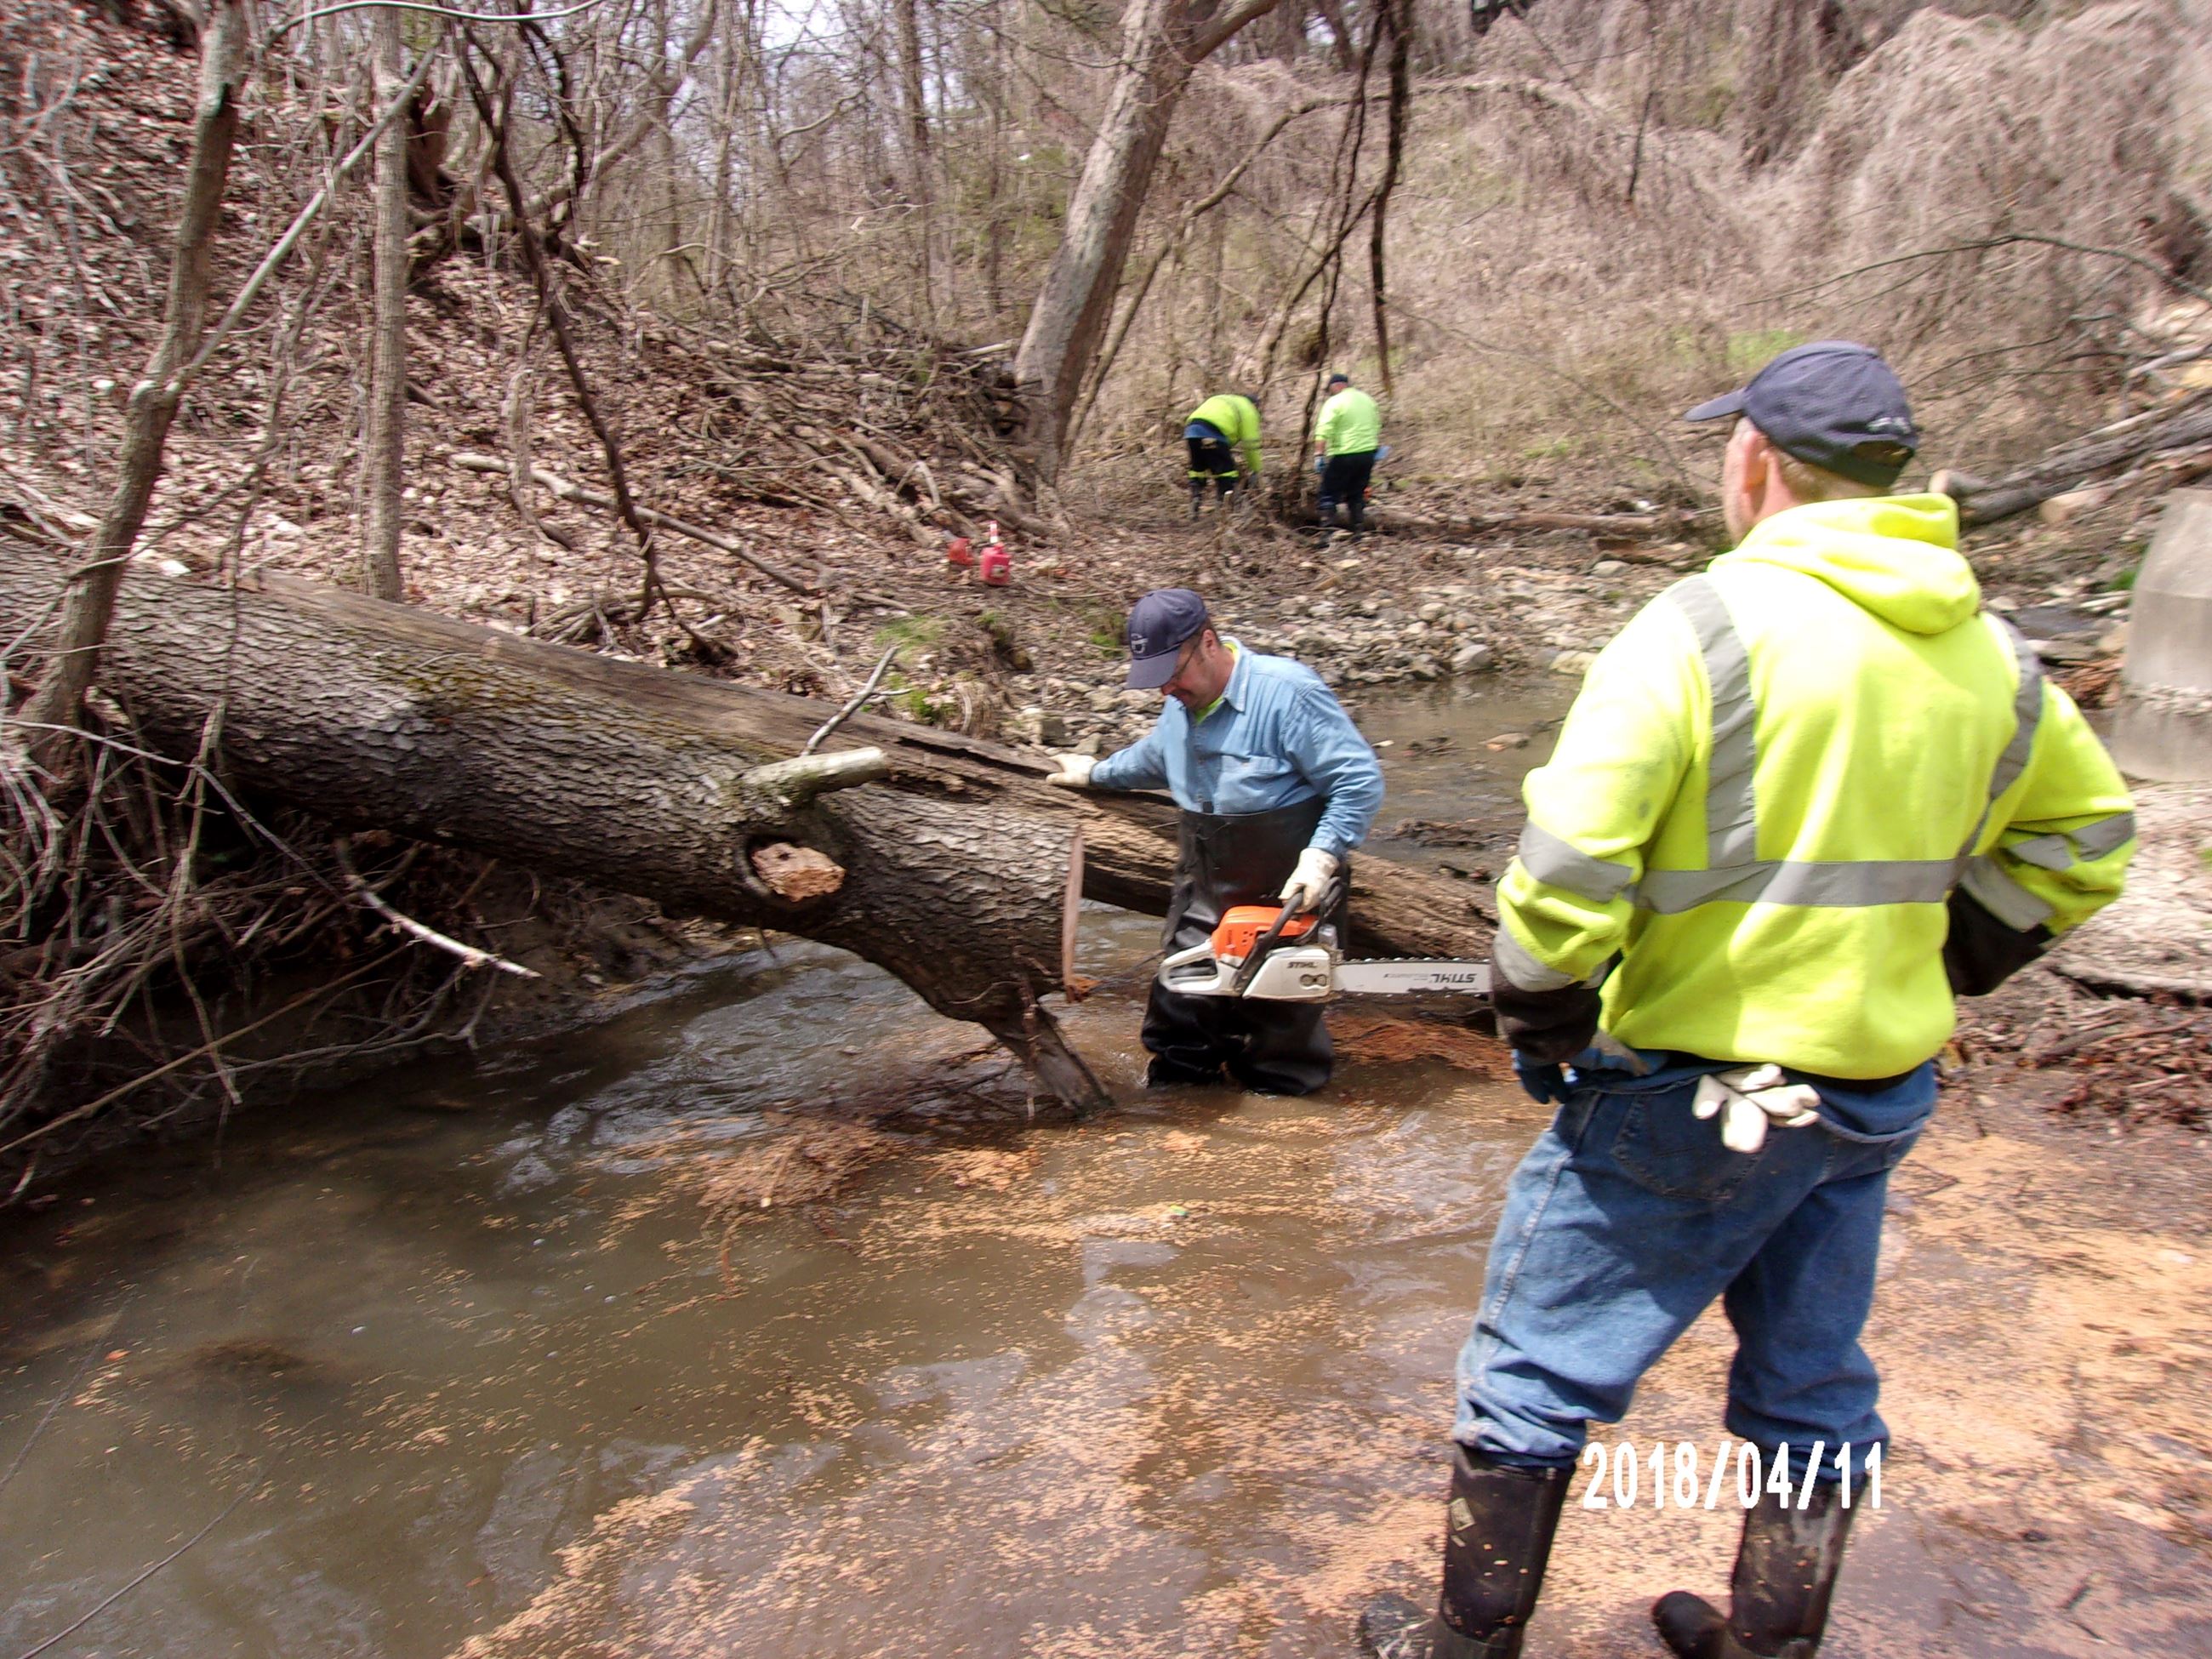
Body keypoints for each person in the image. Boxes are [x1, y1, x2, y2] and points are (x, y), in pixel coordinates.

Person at [1360, 341, 2135, 1659]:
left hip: (1688, 1089)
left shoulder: (1702, 627)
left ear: (1756, 459)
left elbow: (1570, 858)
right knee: (1814, 1380)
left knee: (1531, 1373)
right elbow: (2087, 839)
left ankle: (1463, 1646)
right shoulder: (1993, 655)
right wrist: (1952, 958)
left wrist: (1539, 1009)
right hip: (1870, 1095)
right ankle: (1770, 1642)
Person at [1046, 589, 1384, 1095]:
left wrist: (1321, 857)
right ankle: (1177, 1116)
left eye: (1172, 673)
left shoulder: (1288, 694)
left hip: (1288, 888)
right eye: (1156, 679)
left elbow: (1357, 781)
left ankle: (1285, 1138)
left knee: (1281, 1031)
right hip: (1204, 884)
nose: (1165, 689)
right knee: (1181, 1011)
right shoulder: (1182, 704)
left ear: (1207, 642)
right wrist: (1097, 772)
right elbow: (1158, 757)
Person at [1314, 371, 1383, 534]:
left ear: (1335, 386)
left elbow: (1323, 430)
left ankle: (1326, 535)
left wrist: (1318, 455)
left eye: (1330, 389)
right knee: (1357, 492)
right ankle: (1358, 532)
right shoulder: (1368, 400)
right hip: (1368, 453)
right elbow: (1377, 425)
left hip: (1344, 453)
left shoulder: (1334, 402)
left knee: (1328, 492)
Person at [1184, 392, 1264, 516]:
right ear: (1255, 405)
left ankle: (1195, 497)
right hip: (1214, 432)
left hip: (1192, 430)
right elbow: (1250, 443)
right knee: (1226, 473)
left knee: (1198, 469)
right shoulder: (1249, 410)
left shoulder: (1225, 399)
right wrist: (1255, 469)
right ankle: (1225, 511)